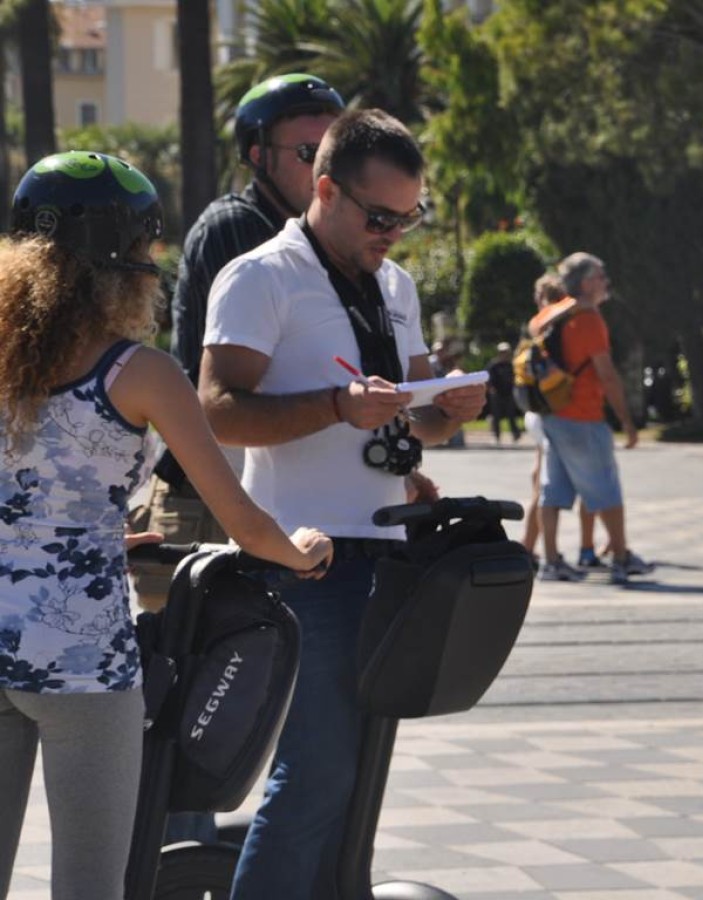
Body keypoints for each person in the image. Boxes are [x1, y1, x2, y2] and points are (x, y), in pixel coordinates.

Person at [0, 152, 332, 900]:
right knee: (91, 884)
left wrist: (81, 540)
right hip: (81, 659)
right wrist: (302, 551)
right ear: (119, 259)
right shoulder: (140, 374)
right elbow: (242, 518)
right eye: (148, 249)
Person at [199, 109, 486, 899]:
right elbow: (217, 409)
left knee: (357, 778)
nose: (394, 233)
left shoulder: (396, 284)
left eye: (410, 215)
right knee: (318, 772)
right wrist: (333, 406)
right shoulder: (261, 276)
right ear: (324, 189)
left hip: (389, 552)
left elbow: (411, 415)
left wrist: (444, 411)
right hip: (305, 562)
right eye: (380, 215)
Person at [130, 72, 345, 613]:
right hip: (209, 500)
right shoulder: (240, 230)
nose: (325, 167)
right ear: (257, 154)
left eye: (336, 152)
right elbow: (279, 373)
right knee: (193, 683)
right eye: (306, 151)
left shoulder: (318, 245)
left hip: (262, 497)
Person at [533, 252, 654, 585]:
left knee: (552, 491)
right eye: (601, 277)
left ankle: (552, 560)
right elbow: (607, 374)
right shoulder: (589, 319)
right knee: (606, 489)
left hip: (552, 414)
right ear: (586, 282)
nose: (606, 283)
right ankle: (621, 557)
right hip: (583, 415)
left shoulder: (551, 314)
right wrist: (627, 421)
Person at [486, 341, 523, 443]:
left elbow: (516, 377)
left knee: (512, 415)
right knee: (496, 416)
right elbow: (488, 379)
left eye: (505, 352)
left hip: (509, 393)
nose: (504, 354)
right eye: (502, 352)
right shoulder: (493, 365)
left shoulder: (511, 364)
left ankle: (515, 434)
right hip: (497, 394)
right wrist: (491, 389)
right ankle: (496, 435)